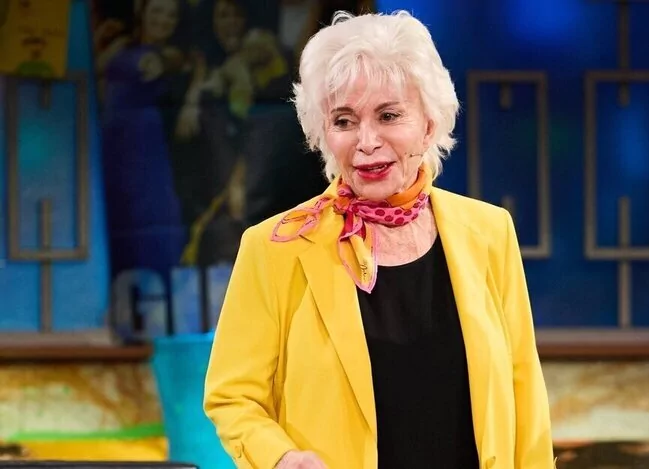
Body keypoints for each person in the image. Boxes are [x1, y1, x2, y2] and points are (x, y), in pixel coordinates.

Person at [203, 10, 554, 469]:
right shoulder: (275, 246)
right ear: (323, 134)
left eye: (388, 115)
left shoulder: (489, 231)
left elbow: (525, 393)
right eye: (344, 121)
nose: (366, 141)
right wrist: (281, 457)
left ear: (429, 124)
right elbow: (232, 397)